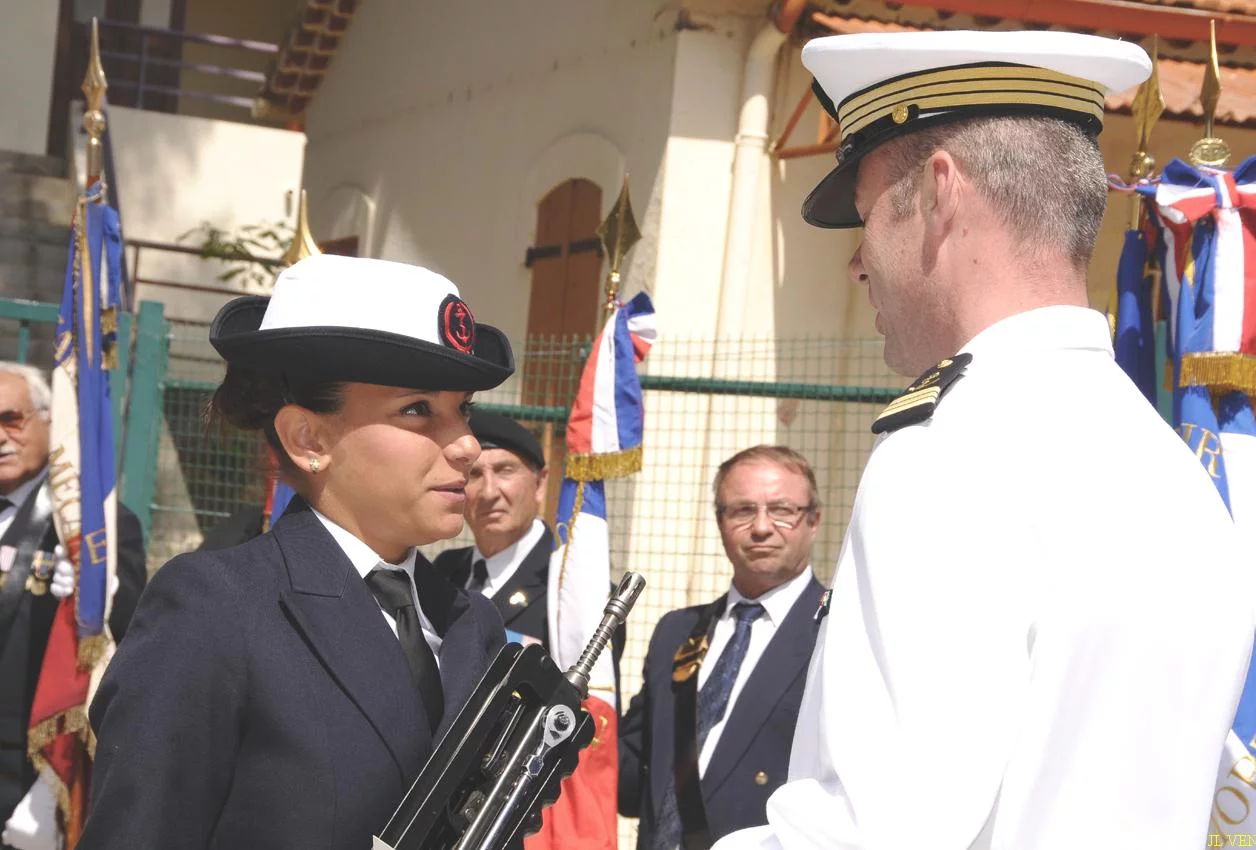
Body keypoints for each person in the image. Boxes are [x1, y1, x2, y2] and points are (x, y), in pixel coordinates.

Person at [712, 30, 1254, 850]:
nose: (858, 262)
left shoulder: (946, 455)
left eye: (867, 216)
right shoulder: (1173, 469)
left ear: (939, 194)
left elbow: (865, 835)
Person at [78, 255, 516, 849]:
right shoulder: (216, 610)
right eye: (418, 409)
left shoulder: (471, 623)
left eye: (463, 409)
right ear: (308, 438)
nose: (466, 445)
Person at [620, 446, 826, 850]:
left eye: (782, 510)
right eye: (742, 510)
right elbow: (631, 772)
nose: (761, 527)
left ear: (813, 520)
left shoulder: (833, 634)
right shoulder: (677, 631)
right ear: (720, 521)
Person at [0, 363, 146, 846]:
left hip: (27, 763)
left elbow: (127, 631)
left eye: (11, 419)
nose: (0, 437)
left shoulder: (93, 526)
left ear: (50, 421)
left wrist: (97, 590)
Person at [434, 410, 626, 659]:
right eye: (474, 474)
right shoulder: (444, 572)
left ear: (540, 484)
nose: (489, 492)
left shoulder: (575, 592)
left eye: (505, 470)